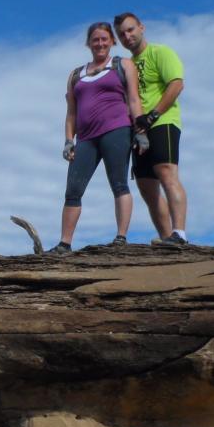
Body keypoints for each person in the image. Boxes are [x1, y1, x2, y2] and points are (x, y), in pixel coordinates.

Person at [48, 21, 144, 254]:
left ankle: (121, 237)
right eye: (95, 40)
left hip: (117, 130)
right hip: (86, 138)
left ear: (111, 41)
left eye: (104, 39)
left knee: (119, 183)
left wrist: (141, 132)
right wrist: (69, 140)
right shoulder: (76, 75)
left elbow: (133, 99)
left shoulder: (123, 65)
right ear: (88, 43)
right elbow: (71, 112)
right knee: (73, 190)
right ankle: (64, 243)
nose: (100, 43)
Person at [114, 11, 188, 246]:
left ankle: (179, 233)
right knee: (147, 187)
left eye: (130, 29)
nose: (127, 36)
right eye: (122, 34)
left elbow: (176, 84)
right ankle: (168, 239)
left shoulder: (160, 52)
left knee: (167, 173)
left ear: (141, 28)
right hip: (137, 130)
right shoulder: (125, 65)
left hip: (162, 122)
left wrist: (153, 114)